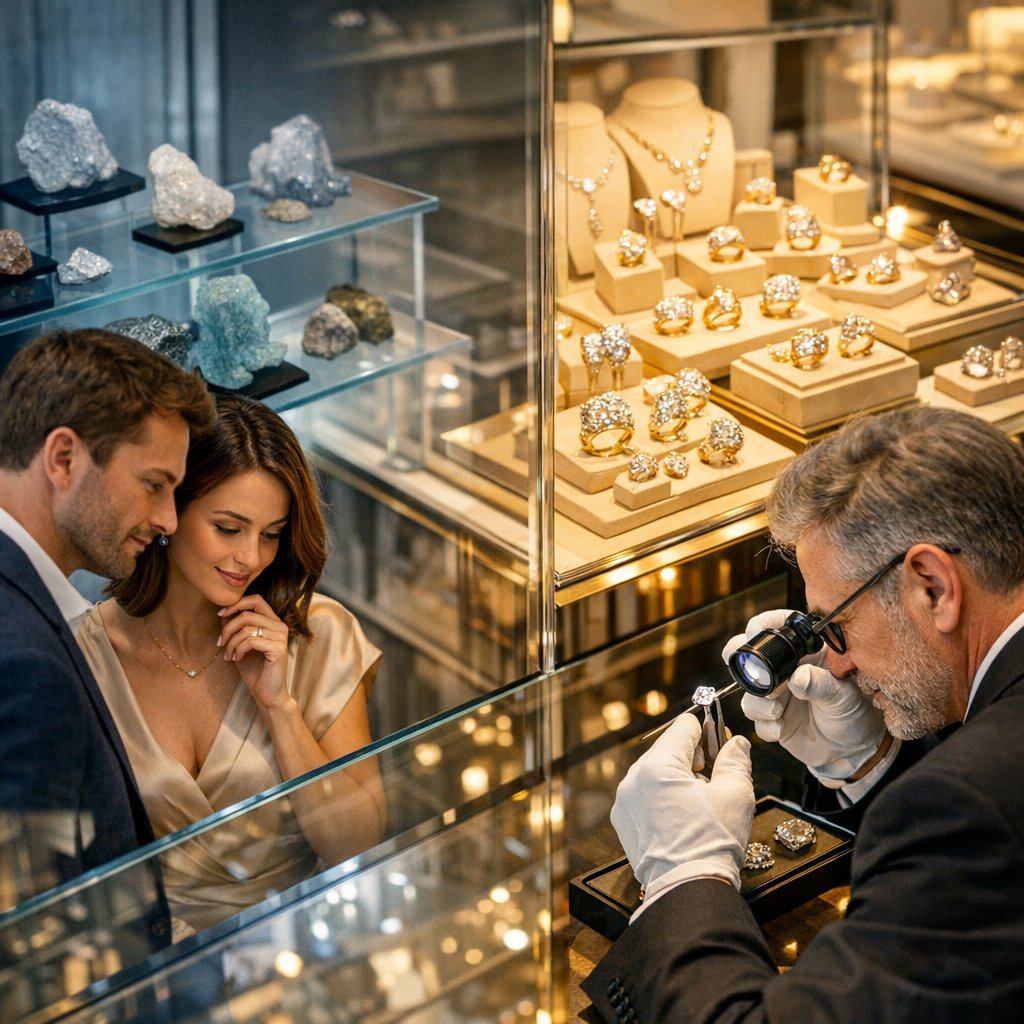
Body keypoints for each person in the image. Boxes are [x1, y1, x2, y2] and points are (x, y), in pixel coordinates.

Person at [583, 405, 1024, 1023]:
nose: (835, 667)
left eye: (836, 627)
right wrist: (872, 765)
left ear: (932, 585)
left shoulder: (968, 809)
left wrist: (684, 879)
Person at [77, 394, 386, 936]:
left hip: (301, 950)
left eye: (271, 534)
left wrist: (280, 708)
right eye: (228, 527)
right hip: (146, 969)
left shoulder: (321, 637)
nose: (251, 557)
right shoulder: (85, 659)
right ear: (170, 512)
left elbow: (356, 844)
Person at [0, 328, 214, 914]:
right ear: (63, 458)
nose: (168, 519)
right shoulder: (24, 663)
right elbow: (34, 926)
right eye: (153, 485)